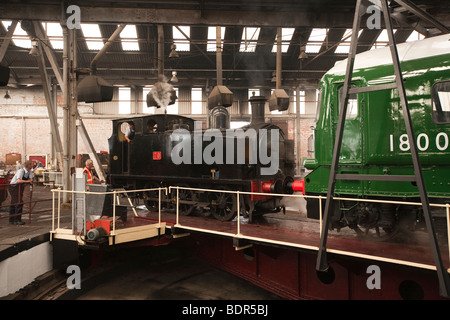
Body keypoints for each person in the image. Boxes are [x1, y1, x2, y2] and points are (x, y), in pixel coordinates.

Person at [8, 160, 34, 225]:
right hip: (14, 187)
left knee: (14, 202)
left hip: (20, 187)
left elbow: (31, 179)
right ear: (28, 165)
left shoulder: (29, 171)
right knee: (19, 202)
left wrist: (28, 181)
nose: (32, 165)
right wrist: (28, 181)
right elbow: (19, 181)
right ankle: (17, 219)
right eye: (31, 164)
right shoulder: (21, 171)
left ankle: (12, 220)